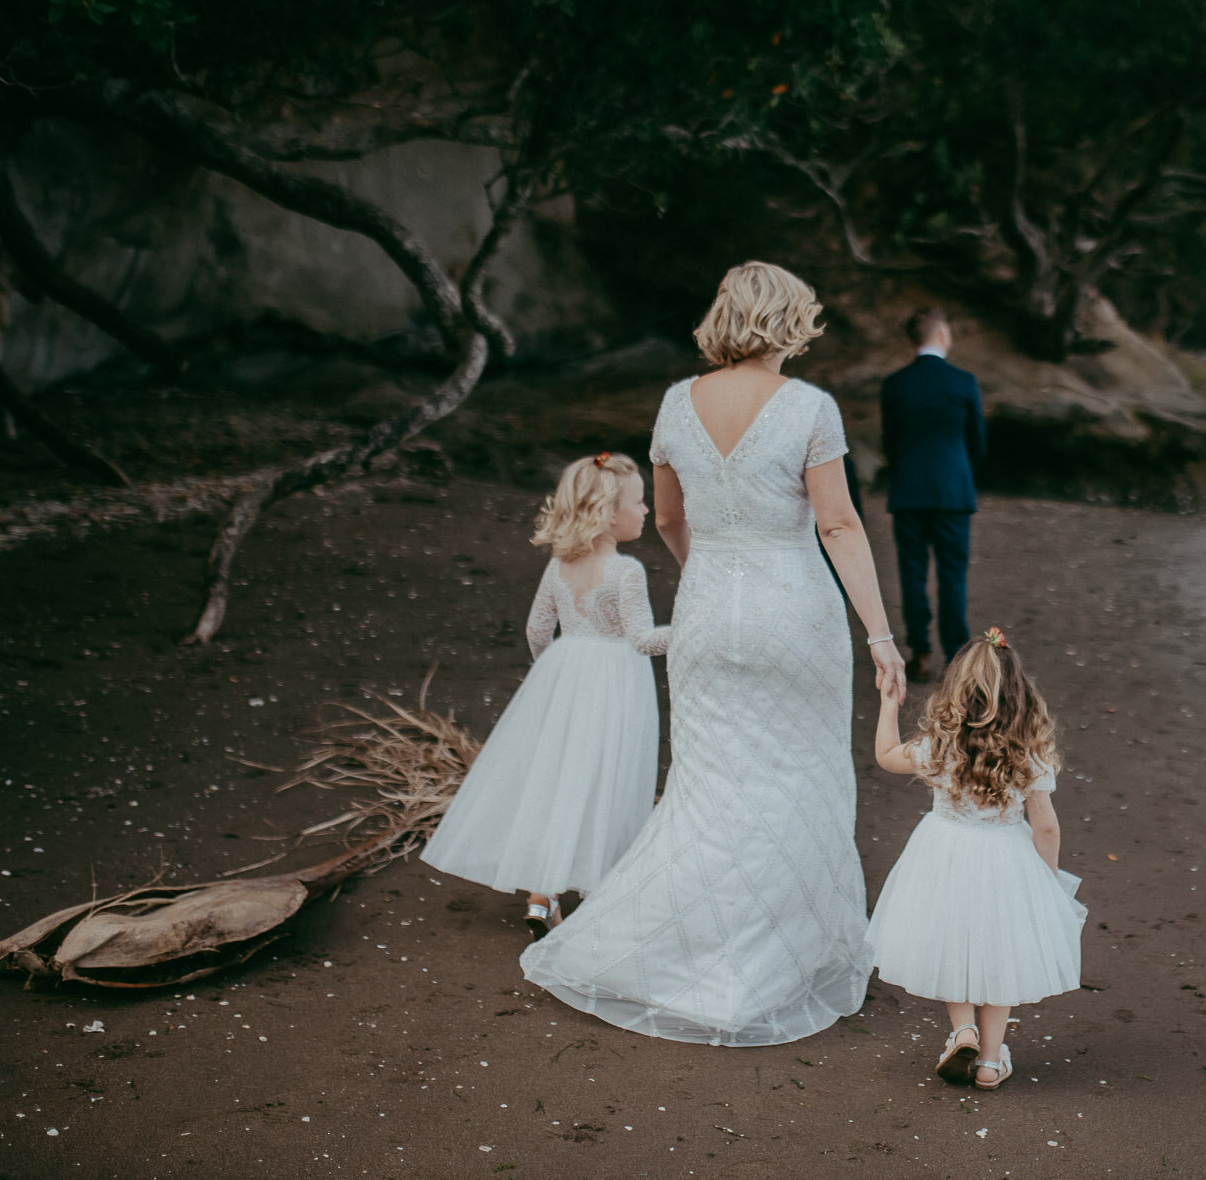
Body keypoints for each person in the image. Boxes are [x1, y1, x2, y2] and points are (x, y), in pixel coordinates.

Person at [521, 261, 906, 1046]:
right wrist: (880, 633)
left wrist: (711, 572)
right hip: (795, 614)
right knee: (799, 778)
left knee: (708, 787)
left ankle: (687, 952)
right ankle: (777, 961)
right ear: (789, 322)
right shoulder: (809, 407)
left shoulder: (673, 404)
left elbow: (667, 517)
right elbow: (837, 527)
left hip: (706, 609)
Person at [421, 452, 670, 938]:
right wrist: (694, 630)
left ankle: (542, 896)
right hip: (616, 683)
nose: (646, 511)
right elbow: (642, 640)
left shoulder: (560, 566)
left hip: (565, 675)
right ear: (607, 513)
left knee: (559, 781)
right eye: (639, 503)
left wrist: (555, 679)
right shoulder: (627, 572)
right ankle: (599, 890)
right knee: (604, 780)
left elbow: (538, 631)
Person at [865, 627, 1085, 1089]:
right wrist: (1045, 881)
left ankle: (961, 1029)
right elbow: (1045, 824)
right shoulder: (1029, 755)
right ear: (1019, 696)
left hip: (944, 853)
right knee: (999, 952)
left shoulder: (940, 748)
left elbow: (886, 755)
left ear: (956, 692)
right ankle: (988, 1061)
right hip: (1006, 858)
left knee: (952, 939)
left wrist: (888, 701)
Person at [880, 308, 986, 681]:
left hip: (908, 491)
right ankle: (955, 655)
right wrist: (957, 470)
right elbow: (977, 443)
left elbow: (889, 444)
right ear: (941, 334)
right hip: (953, 494)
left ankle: (920, 651)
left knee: (912, 572)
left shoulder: (895, 384)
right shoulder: (963, 381)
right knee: (952, 575)